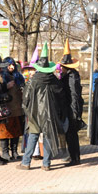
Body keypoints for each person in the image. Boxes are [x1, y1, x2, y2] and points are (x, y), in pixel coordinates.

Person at [17, 43, 66, 171]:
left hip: (34, 113)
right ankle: (46, 164)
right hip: (51, 113)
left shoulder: (33, 81)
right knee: (49, 136)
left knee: (33, 136)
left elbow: (25, 98)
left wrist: (27, 111)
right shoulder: (55, 81)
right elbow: (61, 98)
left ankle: (26, 162)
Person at [59, 40, 84, 166]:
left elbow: (74, 95)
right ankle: (73, 156)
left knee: (71, 135)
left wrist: (75, 112)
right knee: (70, 135)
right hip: (68, 108)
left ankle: (75, 158)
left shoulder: (71, 77)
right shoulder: (68, 76)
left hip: (71, 109)